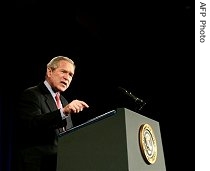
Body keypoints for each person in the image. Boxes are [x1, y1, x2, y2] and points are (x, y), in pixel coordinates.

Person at [13, 56, 89, 171]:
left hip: (60, 165)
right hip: (36, 165)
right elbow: (32, 124)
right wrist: (63, 112)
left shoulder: (64, 101)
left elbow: (66, 136)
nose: (67, 77)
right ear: (49, 71)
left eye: (70, 75)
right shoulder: (32, 94)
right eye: (63, 71)